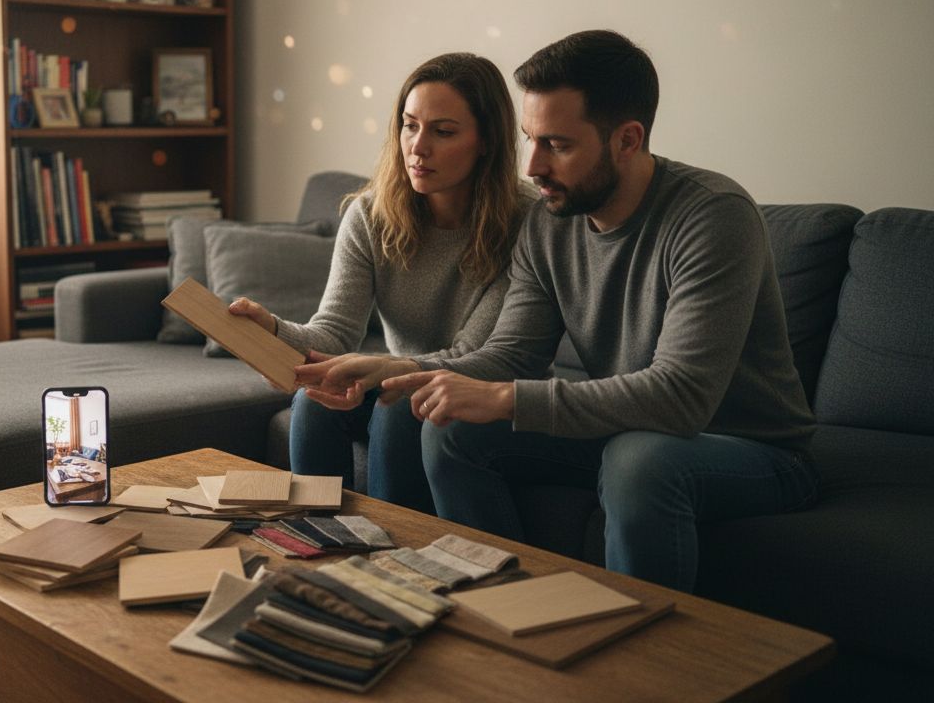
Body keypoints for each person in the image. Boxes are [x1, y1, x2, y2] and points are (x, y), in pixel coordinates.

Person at [295, 30, 818, 592]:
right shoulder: (550, 222)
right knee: (448, 427)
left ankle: (637, 665)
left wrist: (503, 398)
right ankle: (500, 604)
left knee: (638, 460)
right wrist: (392, 370)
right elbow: (511, 351)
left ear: (627, 139)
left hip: (748, 449)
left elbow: (682, 397)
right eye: (530, 140)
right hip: (622, 427)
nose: (534, 167)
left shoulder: (713, 217)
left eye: (558, 145)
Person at [227, 52, 535, 514]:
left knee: (397, 405)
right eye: (410, 125)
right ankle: (316, 545)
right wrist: (270, 330)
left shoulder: (525, 224)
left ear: (486, 140)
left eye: (443, 131)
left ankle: (394, 563)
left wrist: (387, 371)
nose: (418, 147)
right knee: (312, 400)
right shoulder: (371, 214)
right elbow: (332, 334)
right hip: (403, 378)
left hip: (483, 391)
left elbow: (477, 356)